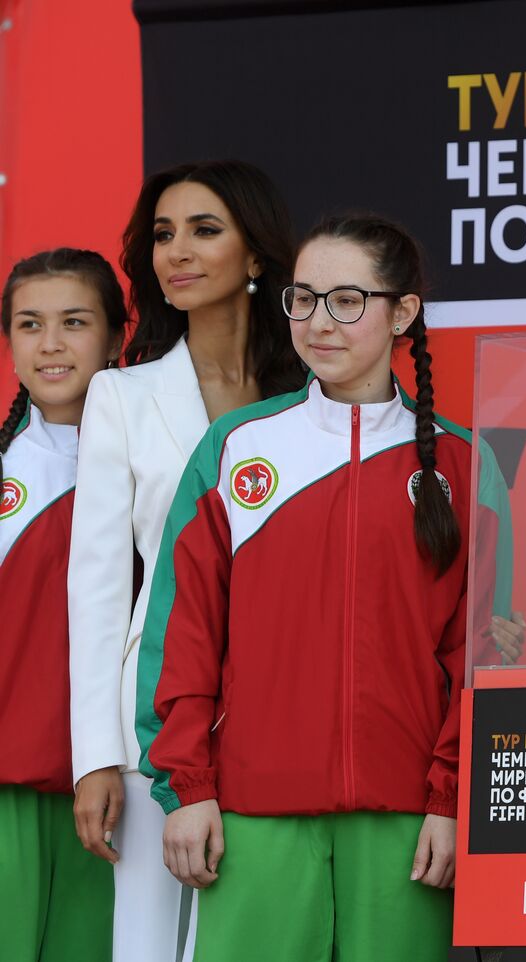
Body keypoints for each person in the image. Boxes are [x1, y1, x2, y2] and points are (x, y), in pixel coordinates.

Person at [136, 214, 515, 961]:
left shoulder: (467, 467)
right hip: (252, 812)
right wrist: (188, 787)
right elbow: (182, 633)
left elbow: (482, 656)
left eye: (347, 300)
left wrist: (450, 799)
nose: (319, 322)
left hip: (407, 821)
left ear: (402, 312)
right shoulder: (237, 447)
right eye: (303, 299)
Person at [67, 159, 305, 961]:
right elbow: (98, 587)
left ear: (257, 257)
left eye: (205, 231)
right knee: (146, 945)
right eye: (164, 234)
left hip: (286, 709)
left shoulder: (313, 393)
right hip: (158, 716)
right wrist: (96, 756)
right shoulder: (121, 396)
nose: (178, 251)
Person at [0, 249, 125, 959]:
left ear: (115, 338)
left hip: (123, 789)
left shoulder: (165, 463)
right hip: (7, 790)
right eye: (29, 324)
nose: (50, 344)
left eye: (74, 322)